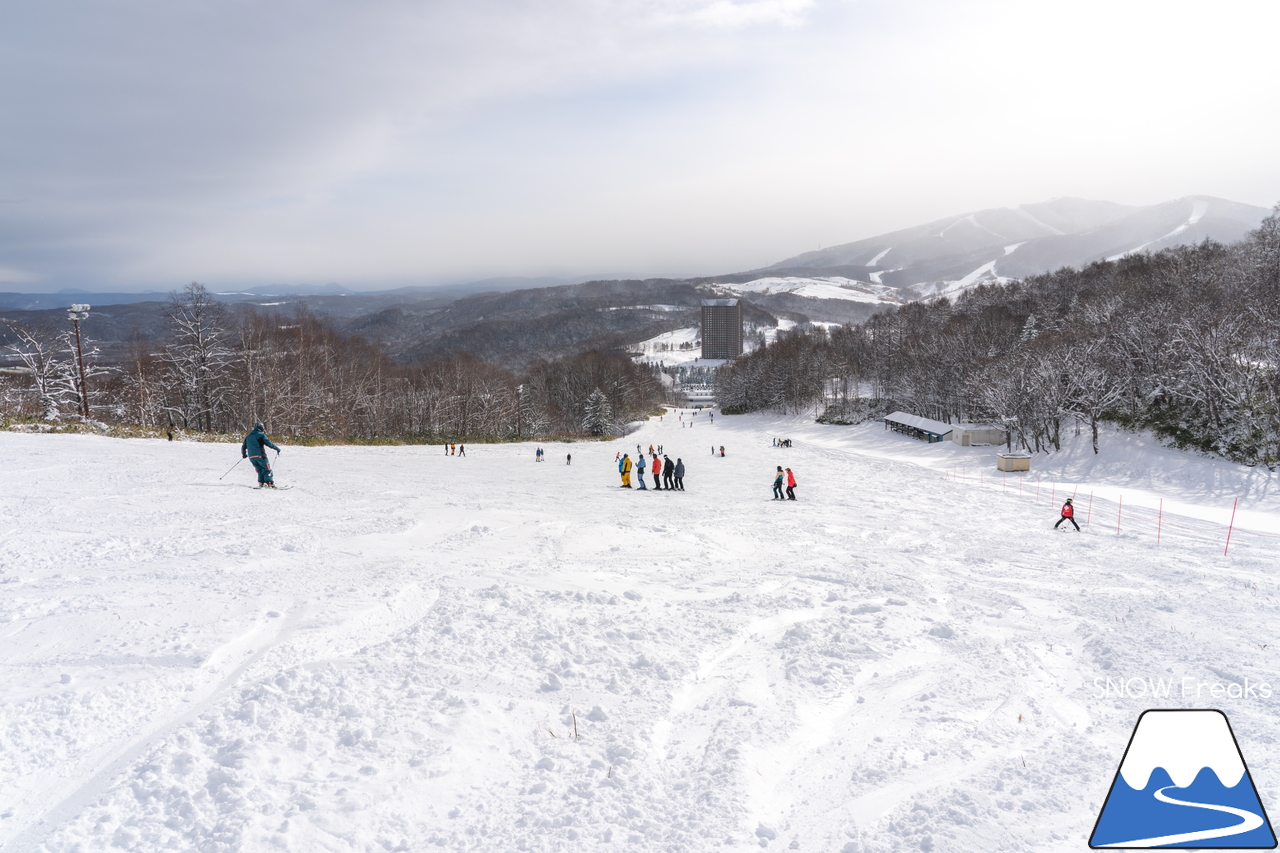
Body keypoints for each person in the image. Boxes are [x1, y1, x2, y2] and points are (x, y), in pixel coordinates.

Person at [242, 422, 281, 489]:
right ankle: (269, 482)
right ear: (261, 428)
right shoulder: (261, 435)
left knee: (259, 470)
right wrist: (277, 448)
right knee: (267, 469)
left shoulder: (248, 437)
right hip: (260, 456)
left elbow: (243, 447)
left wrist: (244, 454)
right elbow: (269, 444)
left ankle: (261, 482)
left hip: (251, 457)